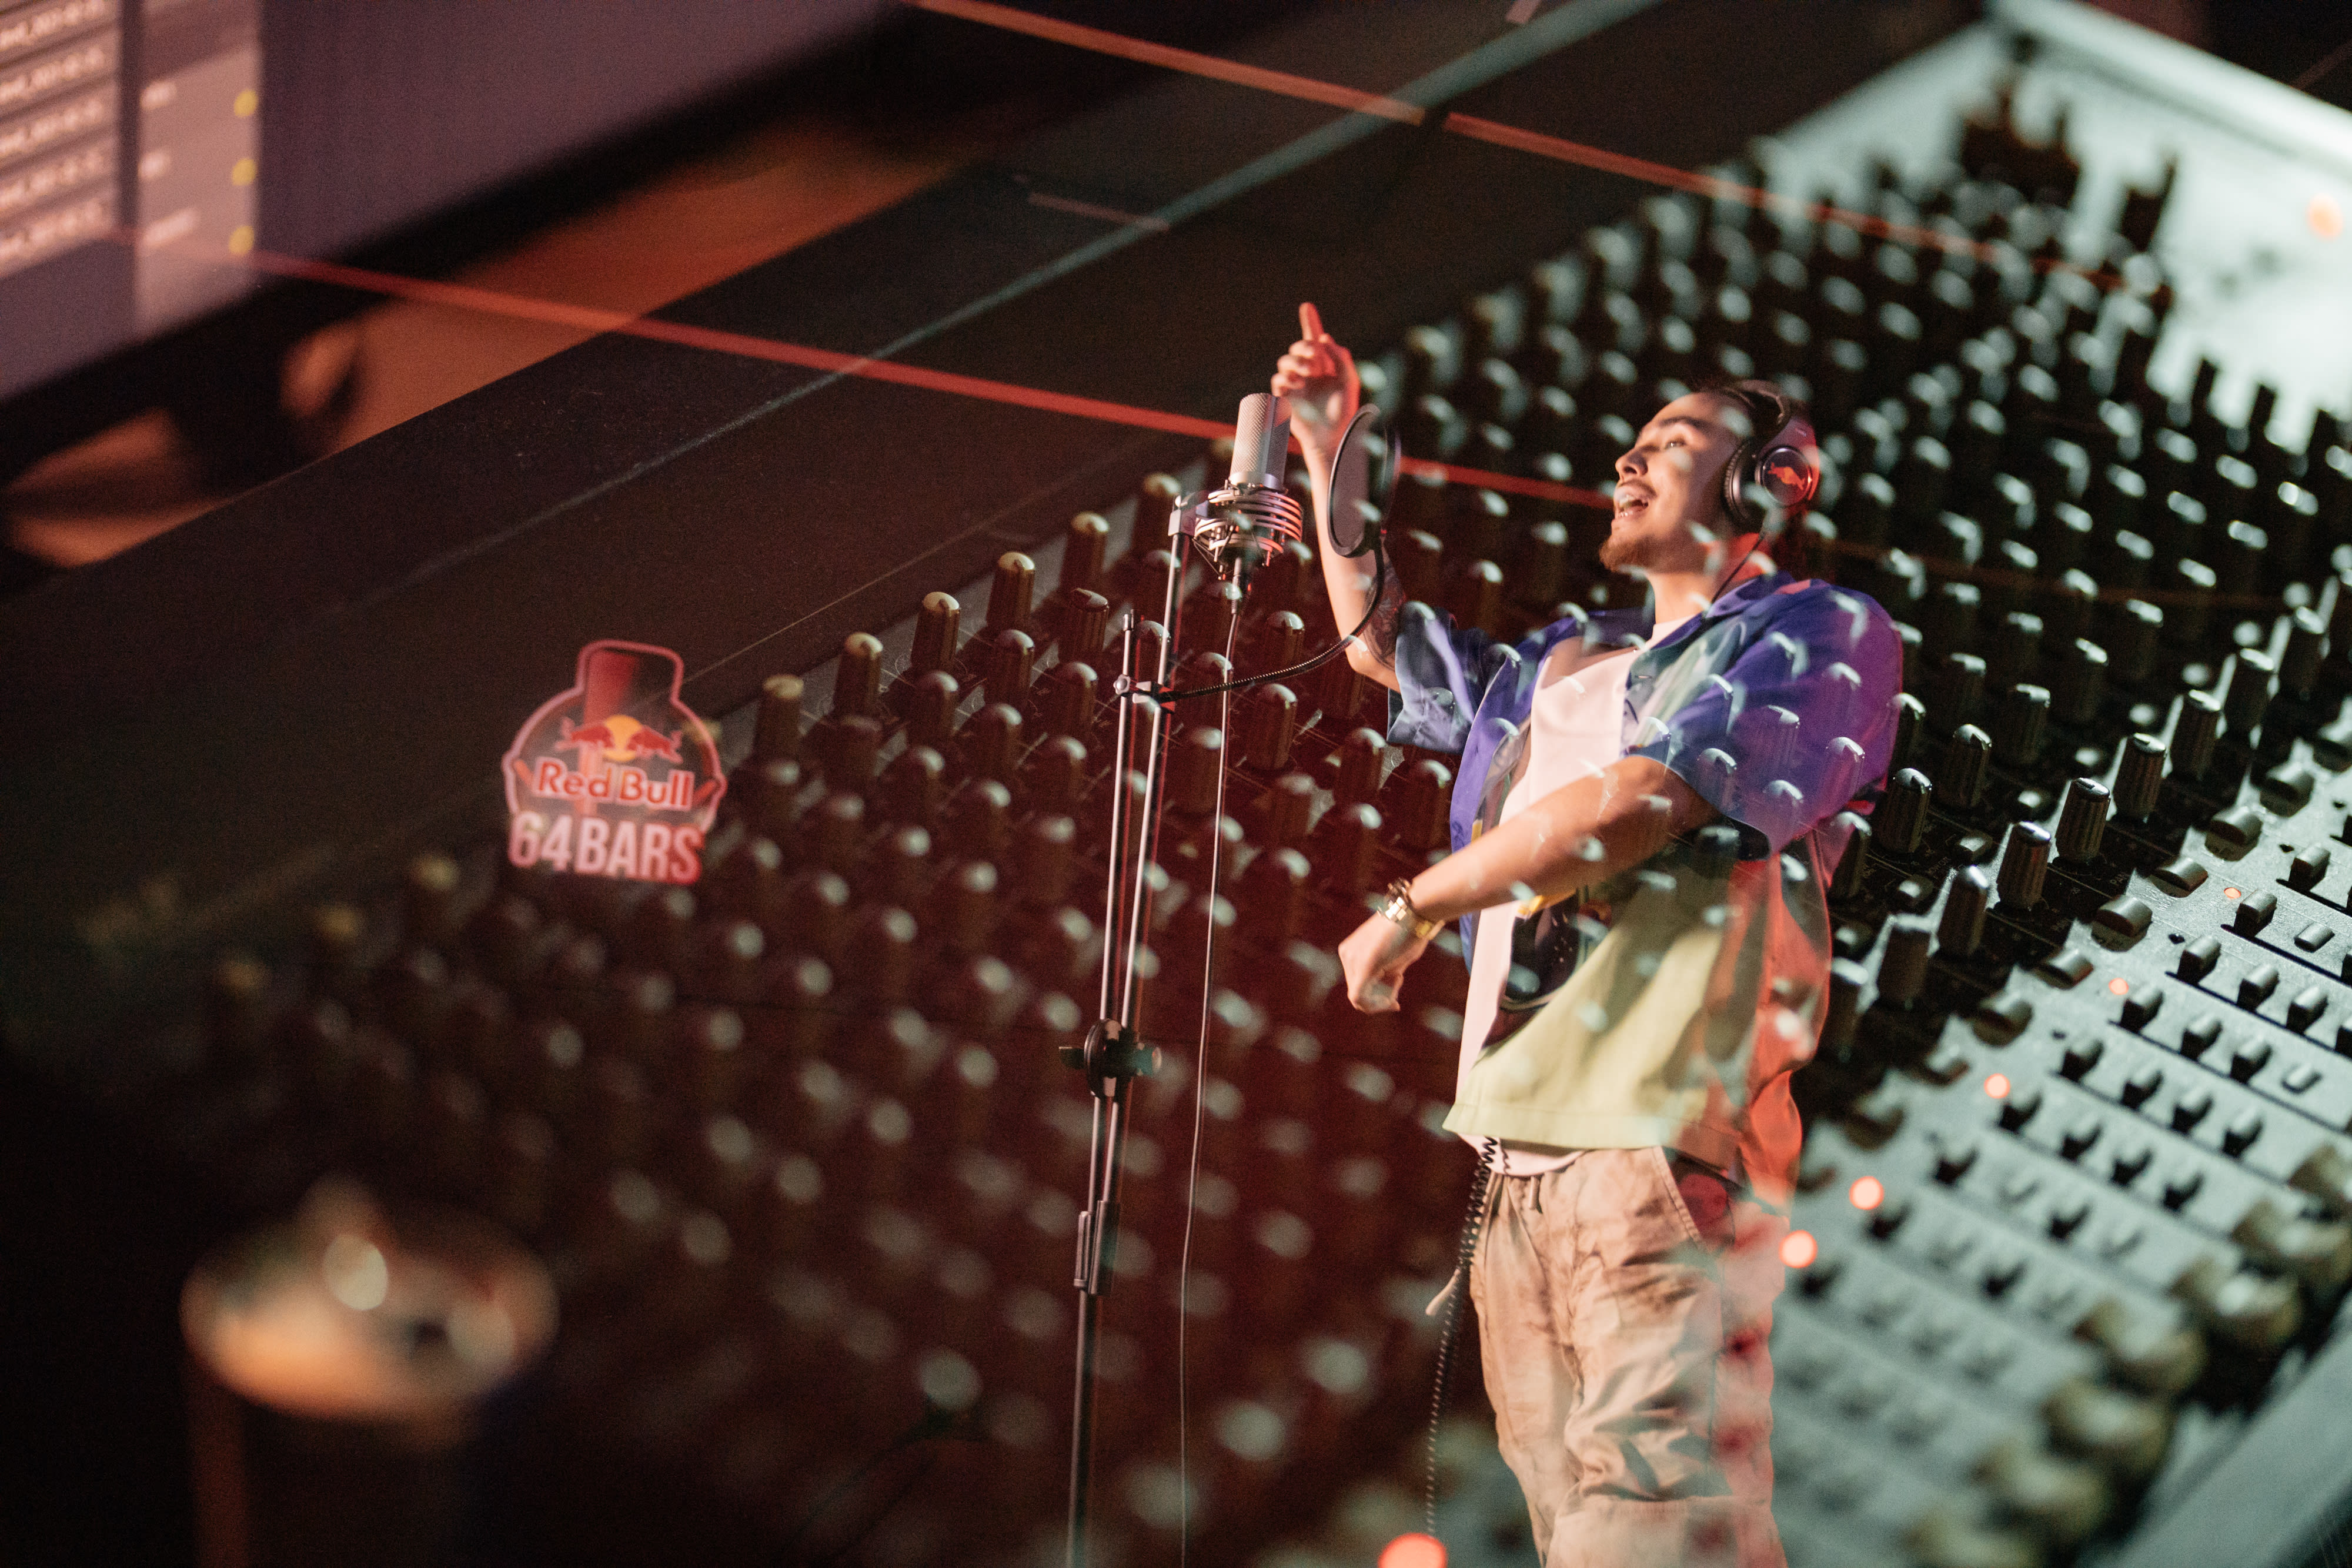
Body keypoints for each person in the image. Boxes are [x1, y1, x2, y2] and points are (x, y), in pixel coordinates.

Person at [1272, 305, 1902, 1568]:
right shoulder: (1561, 665)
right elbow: (1381, 648)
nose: (1627, 459)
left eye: (1670, 441)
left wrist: (1414, 904)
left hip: (1653, 1136)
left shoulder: (1820, 636)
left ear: (1767, 485)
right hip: (1514, 1158)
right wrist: (1328, 450)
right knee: (1586, 1528)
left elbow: (1636, 804)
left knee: (1655, 1519)